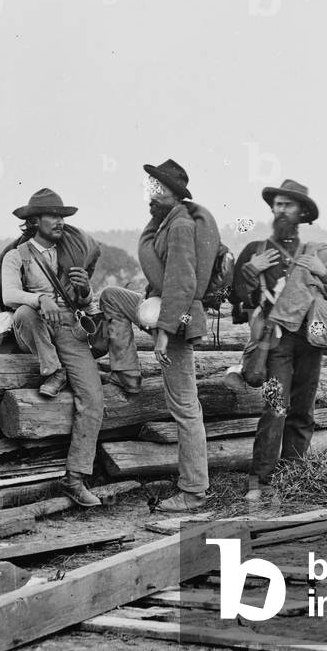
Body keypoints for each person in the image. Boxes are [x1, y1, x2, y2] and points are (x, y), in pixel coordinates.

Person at [231, 179, 327, 503]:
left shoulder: (317, 252)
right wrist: (249, 271)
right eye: (277, 204)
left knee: (303, 410)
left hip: (312, 338)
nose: (280, 210)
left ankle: (294, 476)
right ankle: (260, 481)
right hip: (275, 341)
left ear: (302, 212)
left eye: (288, 205)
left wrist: (325, 274)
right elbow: (239, 300)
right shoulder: (256, 251)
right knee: (275, 407)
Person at [99, 159, 219, 513]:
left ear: (176, 193)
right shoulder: (164, 222)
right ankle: (127, 372)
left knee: (185, 407)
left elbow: (183, 283)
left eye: (159, 189)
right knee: (111, 297)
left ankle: (194, 490)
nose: (151, 195)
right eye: (150, 187)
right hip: (161, 307)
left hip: (177, 319)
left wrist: (164, 335)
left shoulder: (180, 225)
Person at [0, 188, 105, 508]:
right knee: (24, 312)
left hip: (70, 329)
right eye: (52, 216)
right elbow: (9, 295)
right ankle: (53, 369)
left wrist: (85, 291)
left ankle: (74, 478)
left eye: (62, 216)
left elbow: (83, 301)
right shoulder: (17, 256)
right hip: (37, 327)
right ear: (34, 221)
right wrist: (38, 298)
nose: (59, 222)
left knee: (93, 398)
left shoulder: (70, 252)